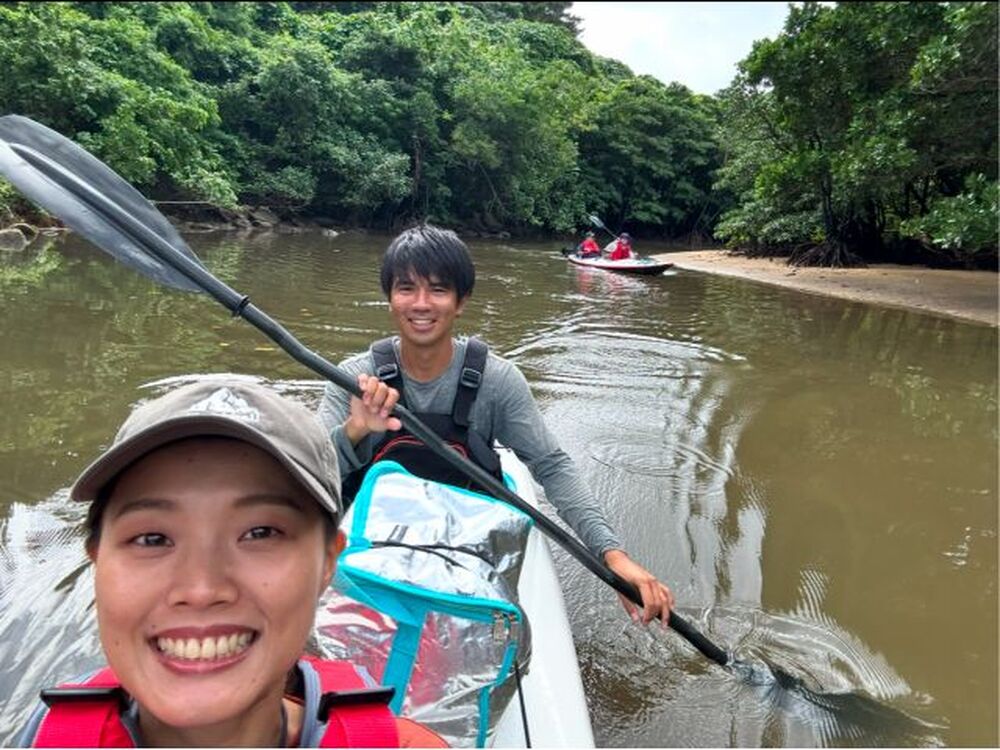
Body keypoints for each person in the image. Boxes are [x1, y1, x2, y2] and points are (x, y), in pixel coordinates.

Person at [19, 378, 443, 748]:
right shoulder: (44, 736)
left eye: (260, 533)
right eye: (152, 538)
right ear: (97, 560)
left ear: (328, 561)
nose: (201, 589)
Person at [318, 225, 675, 626]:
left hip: (466, 542)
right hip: (371, 542)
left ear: (461, 301)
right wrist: (355, 430)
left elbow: (551, 465)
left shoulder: (497, 381)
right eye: (406, 289)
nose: (421, 304)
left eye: (438, 290)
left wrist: (612, 555)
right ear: (389, 298)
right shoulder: (355, 378)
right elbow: (310, 475)